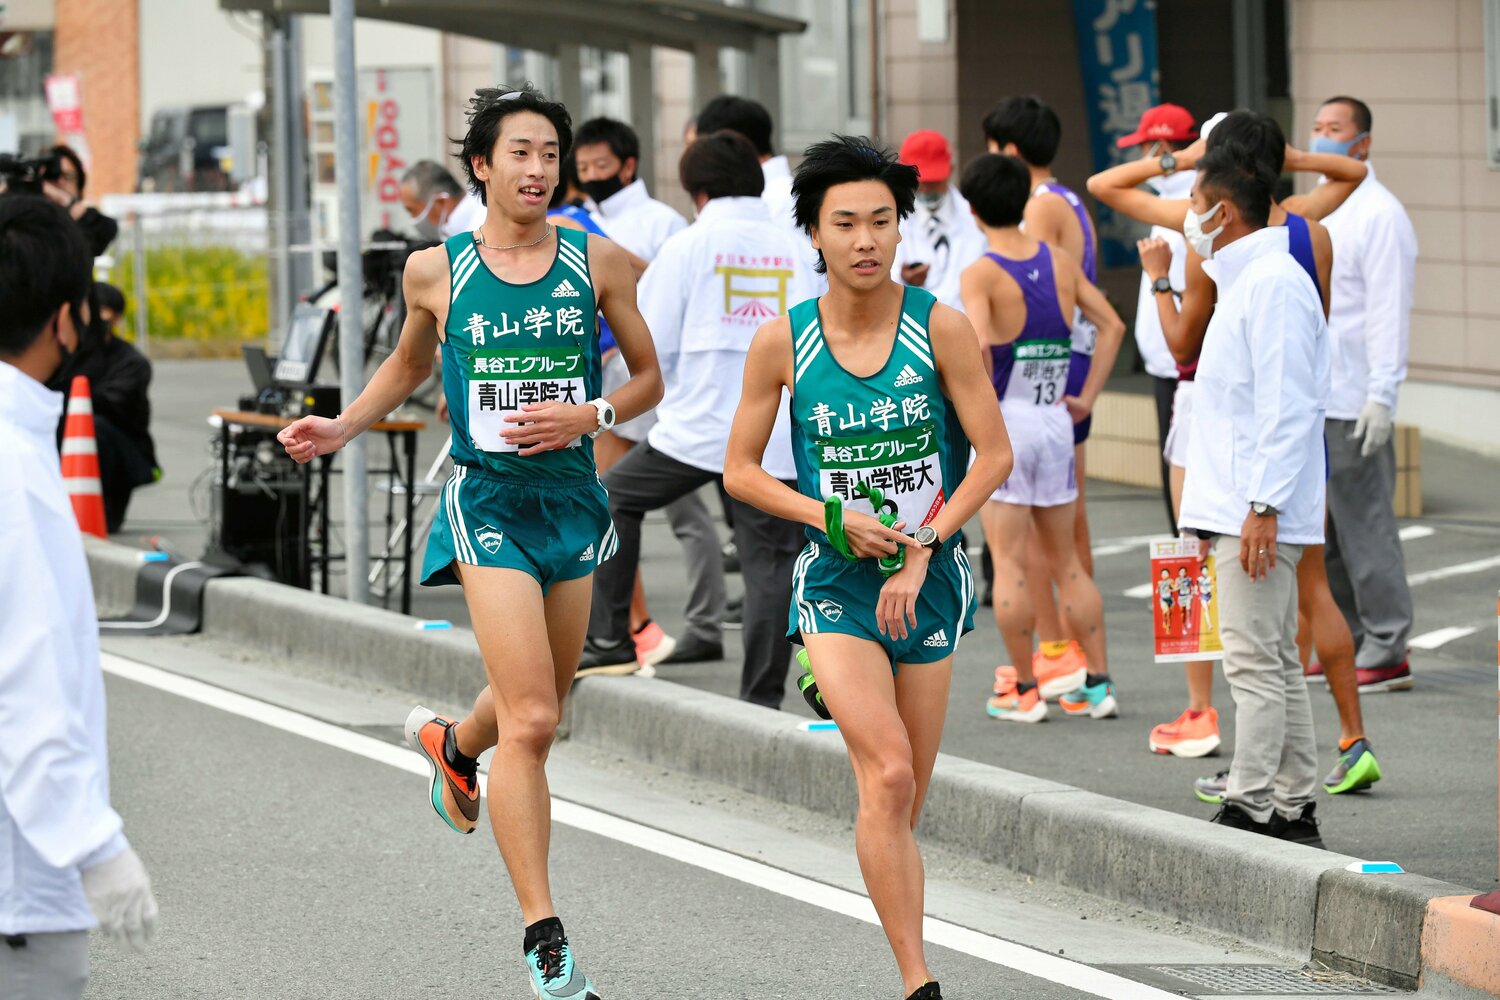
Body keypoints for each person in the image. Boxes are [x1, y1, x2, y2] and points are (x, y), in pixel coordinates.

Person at [278, 85, 663, 999]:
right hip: (486, 501)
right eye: (519, 153)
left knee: (540, 709)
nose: (538, 170)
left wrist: (592, 411)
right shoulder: (435, 269)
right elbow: (412, 363)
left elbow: (649, 377)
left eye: (550, 156)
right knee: (531, 720)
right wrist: (343, 426)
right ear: (483, 167)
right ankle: (546, 936)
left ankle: (454, 746)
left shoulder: (596, 262)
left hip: (572, 499)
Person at [724, 135, 1012, 1000]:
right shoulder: (784, 342)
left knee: (901, 798)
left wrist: (922, 547)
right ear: (812, 233)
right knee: (886, 770)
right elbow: (739, 470)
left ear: (903, 228)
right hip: (837, 582)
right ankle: (919, 984)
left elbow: (993, 457)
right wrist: (831, 517)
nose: (865, 240)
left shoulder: (942, 328)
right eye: (844, 223)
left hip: (930, 580)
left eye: (882, 221)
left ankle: (899, 927)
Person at [1090, 111, 1381, 791]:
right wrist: (1297, 156)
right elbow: (1355, 172)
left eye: (1196, 193)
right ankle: (1314, 770)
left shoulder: (1235, 260)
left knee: (1245, 637)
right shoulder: (1307, 232)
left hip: (1244, 466)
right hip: (1274, 462)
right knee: (1288, 631)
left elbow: (1189, 346)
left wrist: (1161, 274)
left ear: (1222, 198)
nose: (1187, 207)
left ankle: (1234, 765)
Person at [583, 129, 813, 706]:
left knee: (612, 499)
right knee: (770, 562)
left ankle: (610, 638)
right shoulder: (796, 249)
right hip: (779, 437)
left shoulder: (690, 246)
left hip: (699, 431)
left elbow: (650, 338)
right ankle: (760, 698)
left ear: (697, 190)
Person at [1, 195, 159, 998]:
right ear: (65, 321)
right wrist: (94, 845)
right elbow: (23, 682)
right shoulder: (19, 475)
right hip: (18, 889)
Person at [1177, 146, 1329, 847]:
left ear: (1223, 212)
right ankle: (1293, 804)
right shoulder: (1255, 279)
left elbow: (1288, 403)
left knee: (1252, 659)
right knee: (1269, 656)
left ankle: (1253, 803)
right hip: (1246, 503)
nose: (1188, 219)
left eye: (1194, 204)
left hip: (1254, 508)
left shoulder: (1271, 283)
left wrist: (1264, 505)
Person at [958, 153, 1123, 724]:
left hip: (1007, 421)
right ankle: (1098, 684)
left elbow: (977, 344)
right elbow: (1111, 324)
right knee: (1069, 561)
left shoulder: (980, 271)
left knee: (1009, 563)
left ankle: (1025, 688)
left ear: (973, 209)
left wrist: (971, 412)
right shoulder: (1057, 259)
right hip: (1056, 418)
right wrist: (1088, 396)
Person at [571, 116, 727, 670]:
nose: (591, 175)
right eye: (582, 167)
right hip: (606, 384)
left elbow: (664, 302)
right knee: (609, 497)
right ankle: (630, 628)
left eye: (601, 166)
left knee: (684, 512)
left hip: (658, 383)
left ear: (629, 165)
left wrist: (611, 260)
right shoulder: (577, 218)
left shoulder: (660, 223)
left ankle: (688, 624)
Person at [981, 95, 1105, 695]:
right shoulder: (1070, 199)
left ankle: (1057, 657)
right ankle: (1083, 665)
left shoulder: (1036, 208)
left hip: (1034, 377)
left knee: (1036, 537)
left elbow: (1029, 286)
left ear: (1008, 150)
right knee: (1064, 532)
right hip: (1067, 373)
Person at [1311, 95, 1419, 695]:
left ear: (1363, 145)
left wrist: (1384, 394)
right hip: (1319, 395)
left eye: (1335, 130)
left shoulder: (1380, 214)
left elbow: (1387, 314)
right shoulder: (1323, 211)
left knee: (1366, 524)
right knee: (1324, 529)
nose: (1323, 138)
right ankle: (1347, 637)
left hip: (1355, 398)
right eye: (1317, 127)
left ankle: (1389, 643)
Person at [1113, 103, 1199, 529]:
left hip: (1181, 364)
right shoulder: (1171, 197)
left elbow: (1106, 185)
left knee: (1182, 485)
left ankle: (1192, 588)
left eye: (1145, 148)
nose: (1139, 159)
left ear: (1162, 146)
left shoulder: (1188, 199)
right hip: (1170, 361)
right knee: (1179, 479)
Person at [48, 281, 159, 533]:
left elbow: (111, 403)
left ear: (117, 318)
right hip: (63, 453)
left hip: (121, 455)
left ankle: (103, 508)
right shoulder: (67, 354)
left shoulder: (131, 362)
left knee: (91, 427)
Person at [892, 130, 986, 312]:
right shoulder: (892, 218)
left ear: (950, 170)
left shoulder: (974, 217)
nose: (927, 188)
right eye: (921, 181)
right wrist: (903, 279)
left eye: (934, 180)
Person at [46, 144, 117, 257]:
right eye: (52, 175)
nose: (60, 182)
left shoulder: (90, 223)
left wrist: (64, 201)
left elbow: (103, 232)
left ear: (79, 183)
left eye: (68, 176)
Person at [399, 159, 487, 242]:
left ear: (440, 203)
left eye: (412, 210)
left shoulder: (482, 229)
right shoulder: (454, 233)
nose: (412, 219)